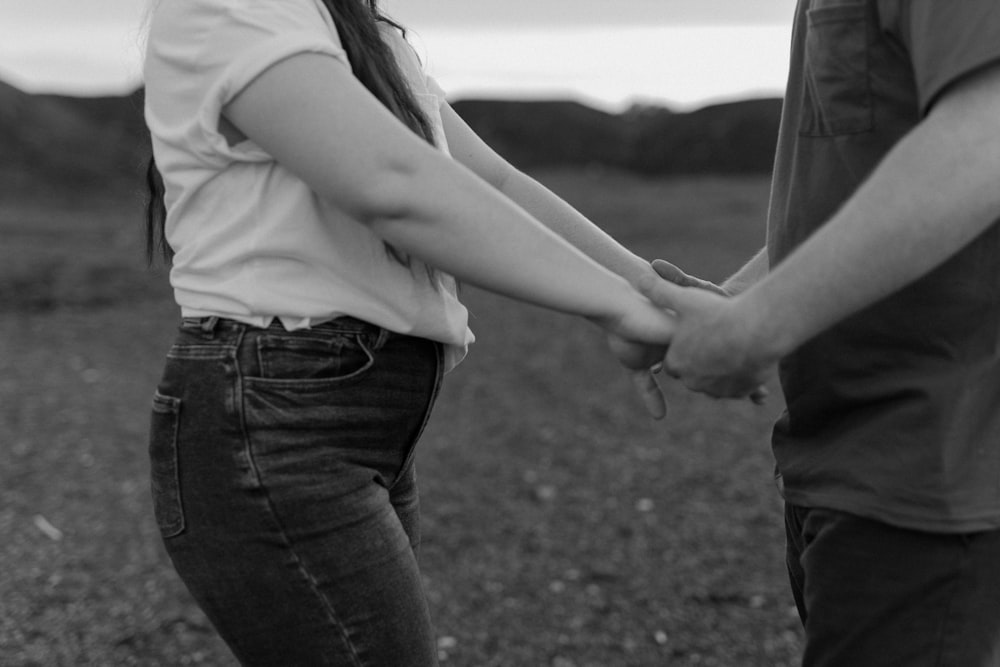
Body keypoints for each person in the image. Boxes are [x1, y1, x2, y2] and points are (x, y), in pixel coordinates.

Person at [142, 0, 675, 664]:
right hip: (271, 416)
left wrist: (648, 290)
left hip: (343, 415)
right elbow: (389, 182)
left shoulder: (353, 27)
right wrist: (616, 309)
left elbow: (490, 179)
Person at [646, 2, 1000, 665]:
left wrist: (758, 325)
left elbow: (986, 136)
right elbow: (852, 179)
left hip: (936, 466)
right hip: (841, 456)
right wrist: (741, 298)